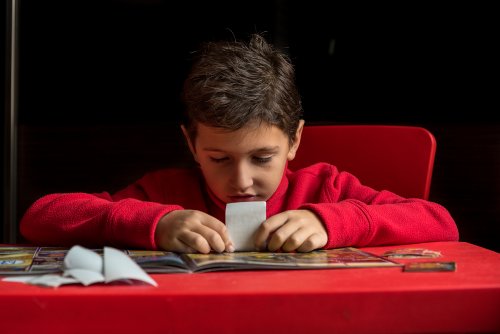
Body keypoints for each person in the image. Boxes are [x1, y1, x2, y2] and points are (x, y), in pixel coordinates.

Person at [20, 33, 459, 254]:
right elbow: (41, 217)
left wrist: (336, 221)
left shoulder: (324, 188)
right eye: (218, 158)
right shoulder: (166, 194)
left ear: (295, 140)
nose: (242, 180)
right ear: (190, 144)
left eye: (262, 157)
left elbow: (440, 222)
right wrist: (152, 224)